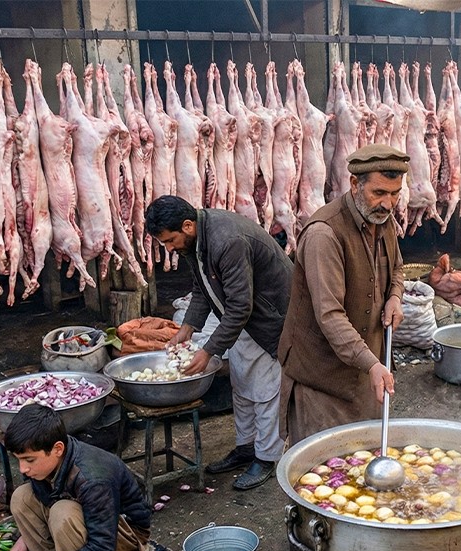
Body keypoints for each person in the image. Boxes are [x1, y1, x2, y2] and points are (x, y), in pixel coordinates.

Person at [148, 194, 292, 490]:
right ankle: (245, 448)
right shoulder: (195, 240)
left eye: (170, 241)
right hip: (243, 319)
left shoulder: (227, 240)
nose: (169, 248)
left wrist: (210, 349)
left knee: (266, 391)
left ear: (187, 226)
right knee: (241, 385)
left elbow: (241, 306)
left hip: (270, 316)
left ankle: (266, 458)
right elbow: (202, 288)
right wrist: (188, 327)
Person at [278, 144, 406, 445]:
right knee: (322, 469)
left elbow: (398, 268)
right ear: (354, 184)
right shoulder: (325, 234)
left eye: (395, 193)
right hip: (322, 379)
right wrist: (373, 364)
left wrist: (395, 296)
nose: (388, 204)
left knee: (365, 460)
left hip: (364, 369)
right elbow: (330, 315)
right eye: (379, 193)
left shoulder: (382, 219)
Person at [3, 404, 152, 551]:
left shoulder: (92, 479)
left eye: (29, 460)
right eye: (19, 459)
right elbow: (45, 498)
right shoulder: (48, 463)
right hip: (90, 522)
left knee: (63, 513)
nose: (23, 468)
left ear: (57, 449)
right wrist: (25, 540)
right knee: (22, 497)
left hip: (124, 537)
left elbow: (102, 546)